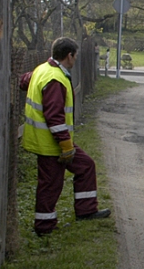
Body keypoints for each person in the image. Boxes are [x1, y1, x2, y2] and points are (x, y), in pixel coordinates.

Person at [21, 37, 111, 236]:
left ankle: (86, 210)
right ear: (69, 55)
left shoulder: (42, 70)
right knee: (51, 184)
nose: (76, 59)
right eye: (75, 55)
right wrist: (66, 146)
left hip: (54, 141)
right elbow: (55, 118)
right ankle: (44, 228)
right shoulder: (55, 79)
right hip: (51, 144)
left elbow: (23, 81)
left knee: (85, 165)